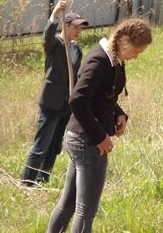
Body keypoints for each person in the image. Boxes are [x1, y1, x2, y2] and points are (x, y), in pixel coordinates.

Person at [47, 19, 152, 233]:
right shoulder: (99, 60)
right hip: (87, 141)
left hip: (79, 137)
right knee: (86, 210)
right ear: (123, 40)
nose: (136, 56)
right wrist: (99, 136)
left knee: (68, 204)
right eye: (135, 50)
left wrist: (119, 113)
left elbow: (101, 97)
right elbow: (77, 100)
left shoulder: (111, 59)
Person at [22, 0, 88, 186]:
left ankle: (43, 179)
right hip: (52, 102)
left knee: (54, 146)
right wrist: (55, 15)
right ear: (65, 27)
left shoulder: (76, 49)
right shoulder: (55, 45)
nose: (78, 31)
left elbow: (74, 75)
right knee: (42, 144)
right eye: (76, 27)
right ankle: (27, 182)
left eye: (80, 29)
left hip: (66, 105)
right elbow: (47, 37)